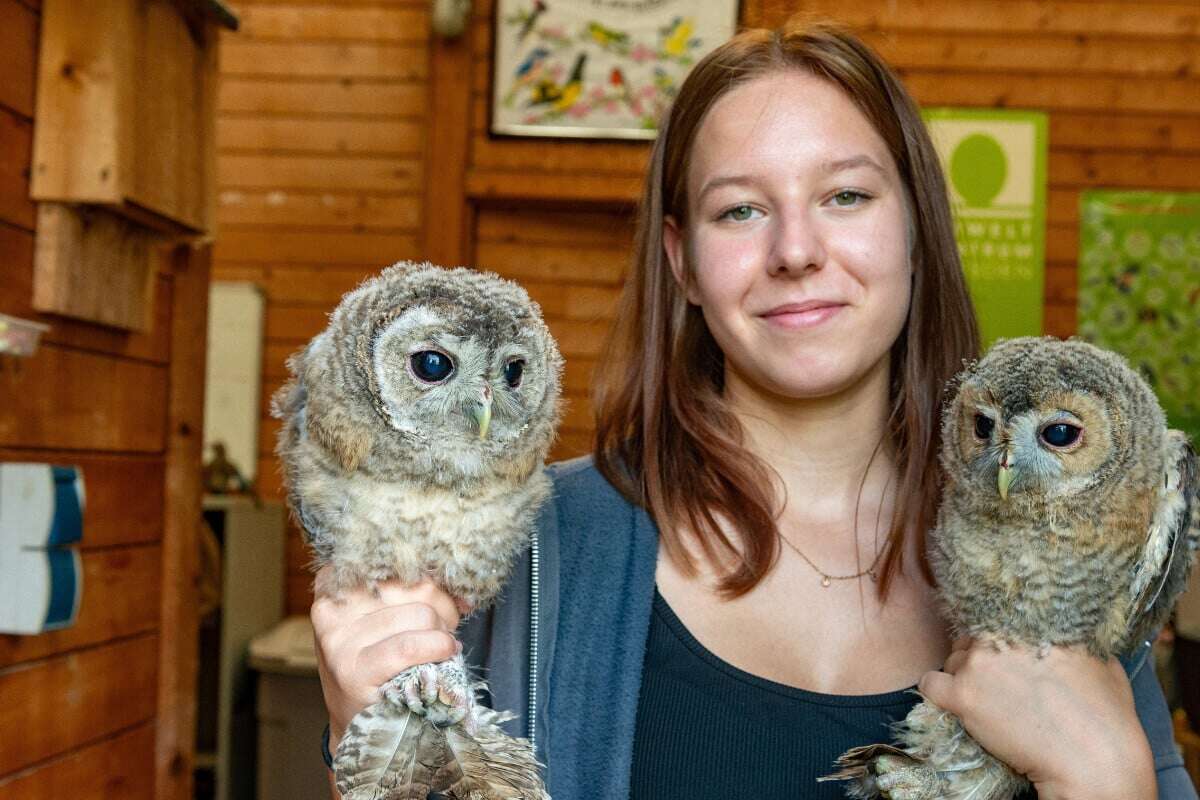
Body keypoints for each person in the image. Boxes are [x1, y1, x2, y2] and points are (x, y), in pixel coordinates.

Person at [310, 18, 1195, 800]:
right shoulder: (533, 552)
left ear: (918, 230)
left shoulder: (1068, 542)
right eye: (739, 210)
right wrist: (371, 743)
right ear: (683, 260)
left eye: (846, 195)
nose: (797, 251)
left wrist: (1105, 778)